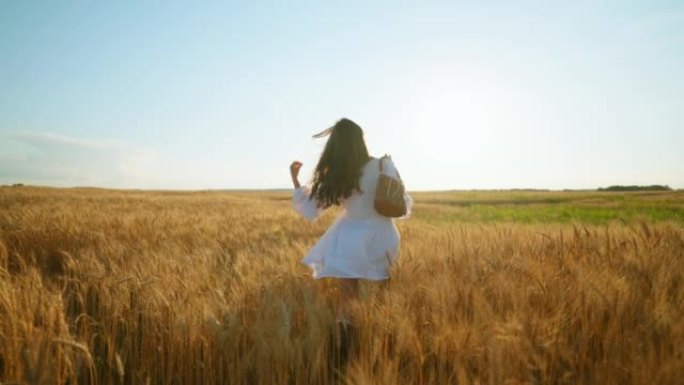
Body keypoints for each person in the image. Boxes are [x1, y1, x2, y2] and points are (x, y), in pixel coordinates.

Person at [289, 118, 412, 328]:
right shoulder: (383, 164)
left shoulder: (338, 174)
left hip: (349, 238)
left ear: (335, 145)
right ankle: (381, 333)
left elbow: (312, 207)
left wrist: (295, 179)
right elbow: (403, 200)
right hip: (382, 234)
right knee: (383, 290)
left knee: (347, 296)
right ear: (360, 140)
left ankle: (345, 339)